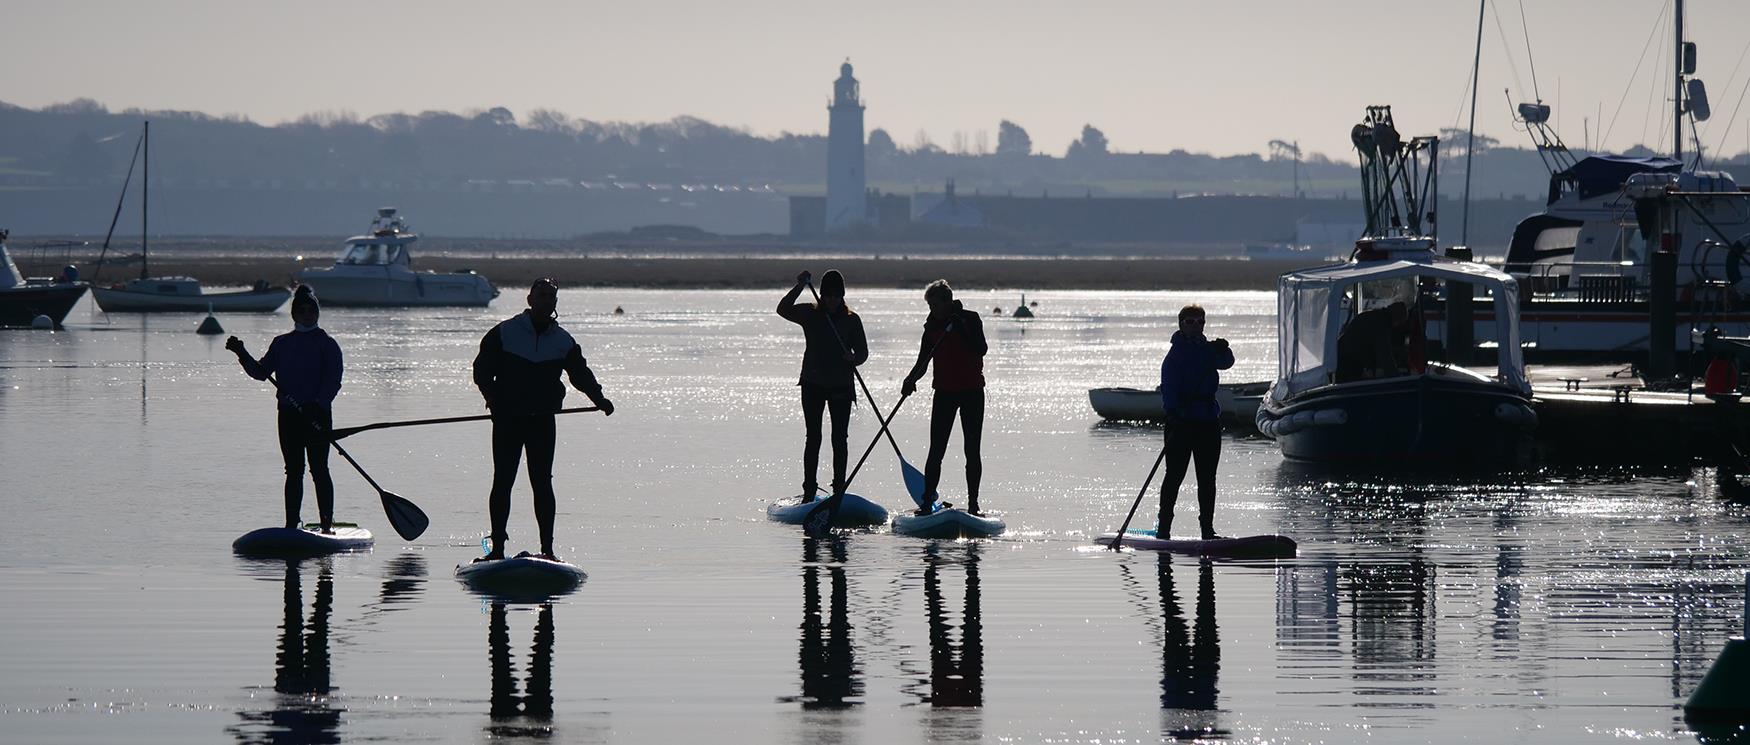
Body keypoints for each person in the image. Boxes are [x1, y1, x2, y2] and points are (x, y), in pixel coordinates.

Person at [472, 278, 615, 562]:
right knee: (503, 481)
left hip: (542, 420)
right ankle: (497, 549)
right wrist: (493, 399)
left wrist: (599, 400)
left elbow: (580, 375)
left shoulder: (563, 341)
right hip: (508, 419)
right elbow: (481, 370)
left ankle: (547, 550)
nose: (546, 301)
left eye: (551, 297)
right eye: (541, 296)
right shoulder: (505, 332)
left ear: (555, 303)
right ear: (530, 300)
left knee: (542, 482)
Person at [225, 285, 344, 532]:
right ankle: (292, 525)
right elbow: (260, 373)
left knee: (319, 469)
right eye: (301, 310)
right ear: (294, 314)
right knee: (293, 471)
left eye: (311, 310)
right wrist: (241, 353)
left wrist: (319, 404)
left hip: (317, 416)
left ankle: (326, 525)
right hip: (289, 416)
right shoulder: (281, 344)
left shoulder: (327, 344)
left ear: (317, 313)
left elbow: (333, 380)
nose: (307, 314)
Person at [777, 269, 868, 499]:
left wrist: (853, 358)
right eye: (827, 296)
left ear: (842, 296)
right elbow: (783, 309)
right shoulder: (810, 313)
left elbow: (863, 353)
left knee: (840, 438)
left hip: (841, 386)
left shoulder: (851, 320)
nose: (831, 301)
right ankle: (809, 489)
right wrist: (799, 286)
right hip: (813, 383)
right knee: (814, 436)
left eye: (836, 296)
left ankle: (839, 488)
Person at [902, 280, 989, 515]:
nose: (931, 310)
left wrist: (960, 327)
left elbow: (981, 349)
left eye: (934, 305)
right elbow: (923, 361)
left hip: (972, 393)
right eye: (929, 306)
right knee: (936, 449)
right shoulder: (931, 327)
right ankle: (928, 503)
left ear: (948, 302)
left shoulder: (970, 319)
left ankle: (973, 505)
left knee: (972, 449)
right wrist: (910, 380)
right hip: (944, 393)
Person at [1158, 304, 1234, 540]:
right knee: (1174, 475)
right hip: (1181, 422)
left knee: (1207, 478)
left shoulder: (1209, 350)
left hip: (1208, 420)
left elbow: (1227, 362)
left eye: (1200, 322)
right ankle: (1164, 529)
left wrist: (1224, 348)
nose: (1195, 326)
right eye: (1190, 321)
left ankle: (1207, 530)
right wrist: (1173, 413)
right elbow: (1168, 388)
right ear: (1181, 324)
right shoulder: (1174, 356)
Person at [1335, 301, 1408, 383]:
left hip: (1341, 359)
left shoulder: (1373, 317)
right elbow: (1385, 355)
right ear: (1397, 319)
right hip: (1347, 364)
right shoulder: (1381, 324)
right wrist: (1397, 379)